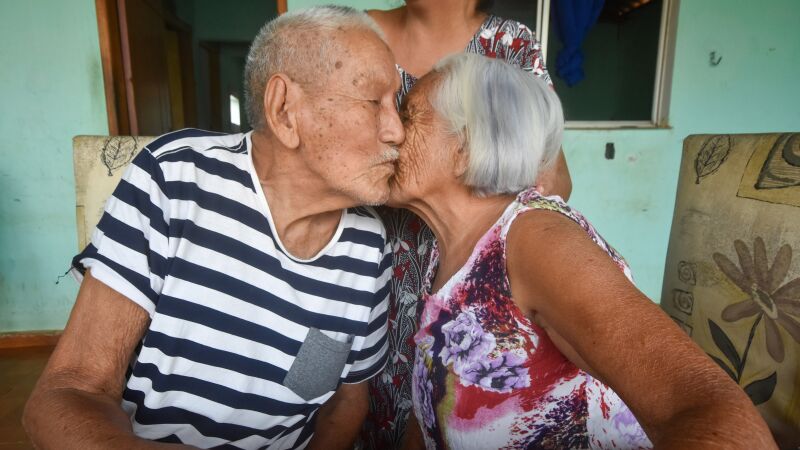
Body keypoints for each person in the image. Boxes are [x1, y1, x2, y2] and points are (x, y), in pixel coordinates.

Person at [23, 6, 403, 449]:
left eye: (397, 105)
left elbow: (343, 401)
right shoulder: (176, 180)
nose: (396, 130)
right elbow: (67, 393)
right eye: (374, 102)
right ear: (285, 110)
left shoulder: (368, 245)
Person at [389, 53, 776, 449]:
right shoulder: (451, 251)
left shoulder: (536, 240)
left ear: (466, 146)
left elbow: (716, 412)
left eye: (408, 115)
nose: (388, 131)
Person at [362, 1, 571, 448]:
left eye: (409, 117)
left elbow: (547, 176)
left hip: (463, 261)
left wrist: (491, 250)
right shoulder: (356, 33)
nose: (394, 132)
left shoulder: (510, 44)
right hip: (372, 274)